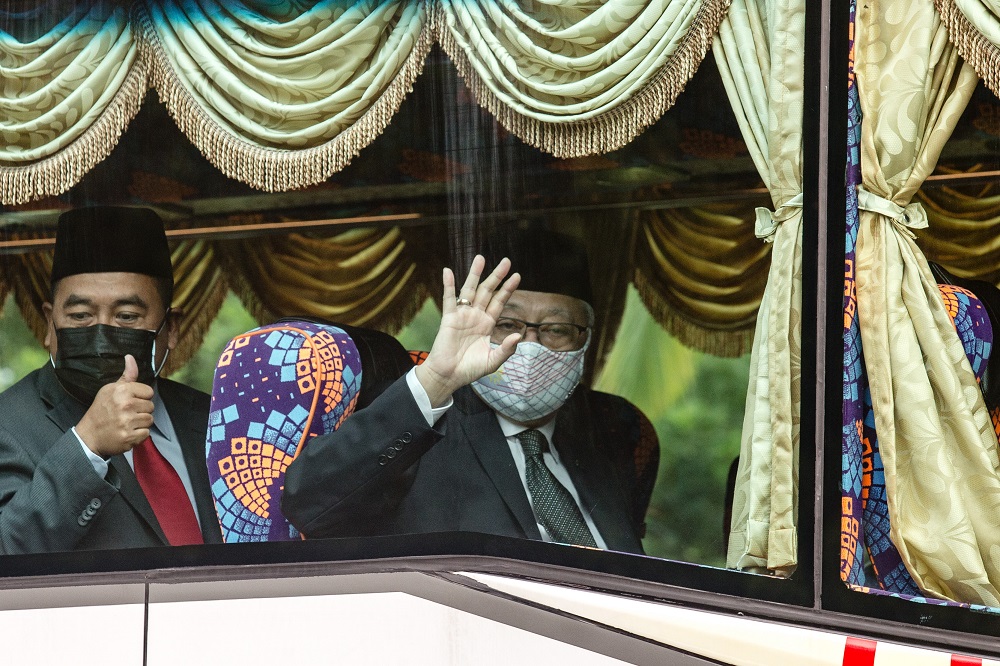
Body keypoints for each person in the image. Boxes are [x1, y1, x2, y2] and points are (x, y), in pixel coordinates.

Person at [282, 229, 658, 553]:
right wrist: (437, 379)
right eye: (506, 323)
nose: (526, 344)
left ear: (585, 343)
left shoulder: (608, 436)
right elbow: (311, 506)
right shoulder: (422, 428)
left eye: (556, 330)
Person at [0, 206, 222, 553]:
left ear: (172, 329)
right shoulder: (8, 425)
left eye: (127, 316)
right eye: (81, 315)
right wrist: (87, 445)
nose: (102, 335)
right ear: (49, 324)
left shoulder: (214, 420)